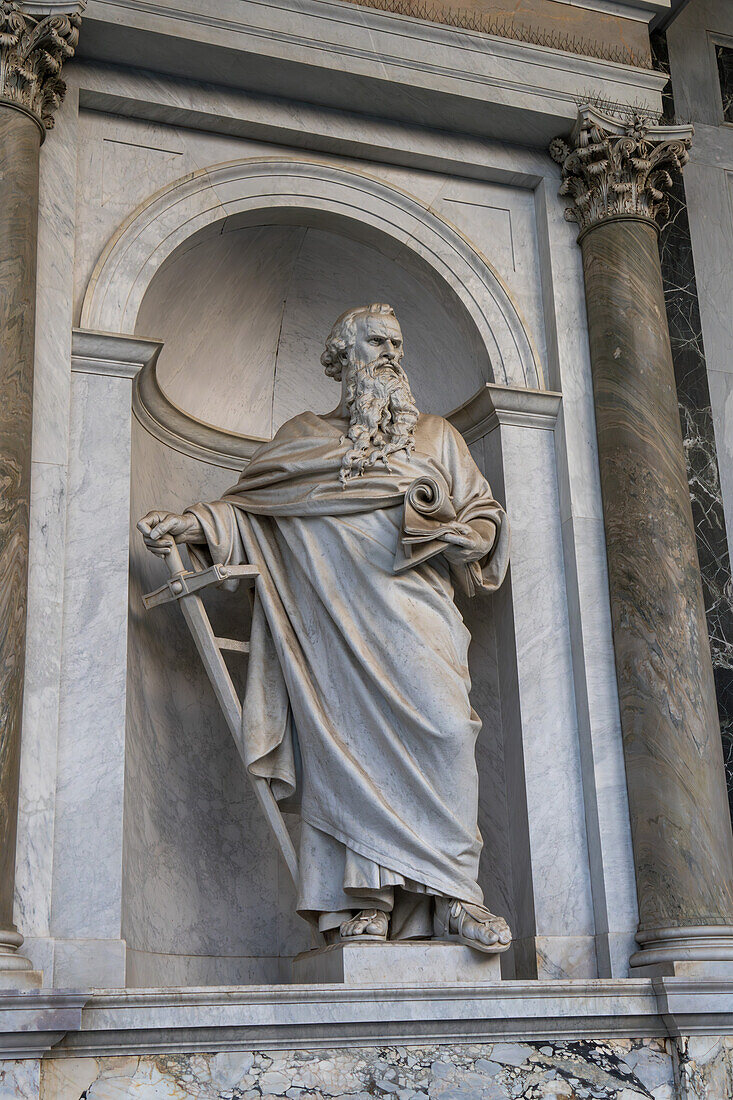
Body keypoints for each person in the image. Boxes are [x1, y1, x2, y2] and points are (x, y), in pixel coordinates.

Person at [138, 303, 512, 952]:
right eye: (375, 342)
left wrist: (460, 533)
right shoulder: (302, 440)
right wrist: (194, 526)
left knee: (450, 734)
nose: (391, 353)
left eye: (397, 342)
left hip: (420, 622)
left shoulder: (437, 439)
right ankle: (360, 902)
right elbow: (253, 515)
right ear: (341, 358)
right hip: (332, 634)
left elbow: (484, 520)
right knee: (347, 757)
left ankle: (453, 895)